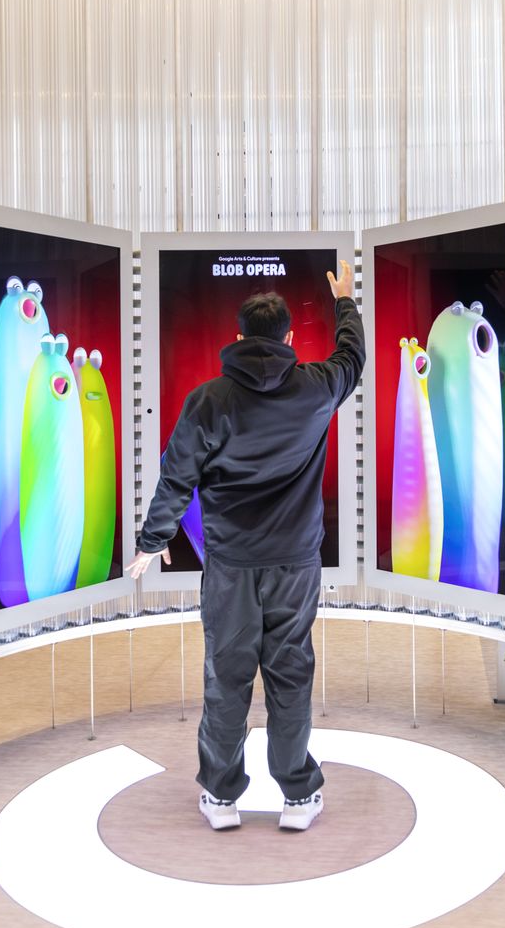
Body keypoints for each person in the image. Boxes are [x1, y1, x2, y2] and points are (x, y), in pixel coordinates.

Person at [126, 261, 365, 832]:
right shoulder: (316, 388)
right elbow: (352, 358)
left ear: (235, 340)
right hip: (295, 564)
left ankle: (222, 797)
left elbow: (175, 476)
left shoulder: (207, 401)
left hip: (231, 567)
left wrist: (153, 540)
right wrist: (346, 302)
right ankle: (299, 798)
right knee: (290, 676)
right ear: (289, 339)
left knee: (227, 678)